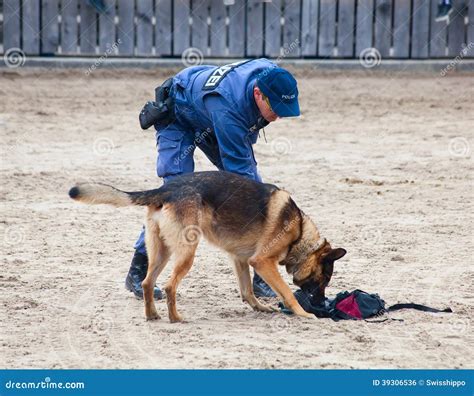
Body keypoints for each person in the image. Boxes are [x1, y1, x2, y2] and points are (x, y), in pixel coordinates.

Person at [125, 58, 300, 300]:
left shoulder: (270, 74)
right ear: (259, 94)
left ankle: (261, 276)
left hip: (209, 116)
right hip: (179, 115)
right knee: (175, 196)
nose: (278, 117)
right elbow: (241, 178)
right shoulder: (229, 108)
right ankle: (138, 270)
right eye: (276, 110)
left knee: (256, 190)